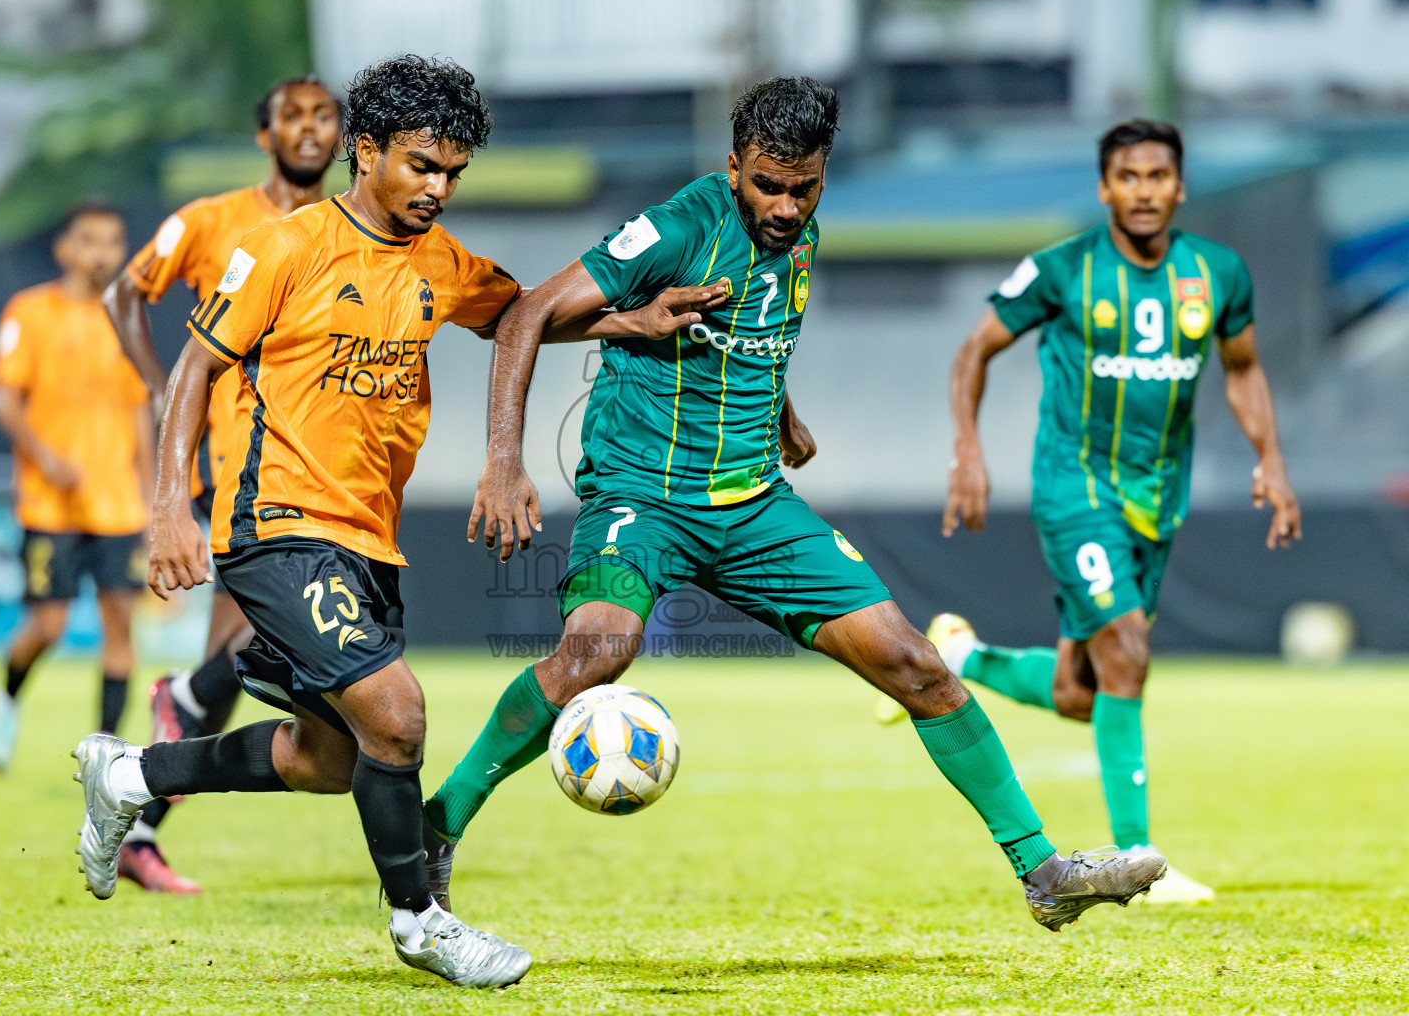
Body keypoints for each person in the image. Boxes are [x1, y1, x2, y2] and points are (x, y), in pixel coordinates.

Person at [420, 77, 1168, 932]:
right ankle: (437, 825)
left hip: (754, 506)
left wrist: (780, 413)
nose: (783, 206)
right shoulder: (678, 228)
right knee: (599, 650)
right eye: (767, 185)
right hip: (643, 497)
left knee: (917, 665)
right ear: (733, 165)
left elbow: (748, 330)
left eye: (802, 188)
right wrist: (504, 462)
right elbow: (526, 315)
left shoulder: (798, 235)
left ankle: (1044, 873)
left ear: (823, 175)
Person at [69, 54, 711, 989]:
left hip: (368, 538)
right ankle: (422, 923)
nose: (438, 188)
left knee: (327, 759)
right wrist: (169, 505)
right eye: (421, 165)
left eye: (453, 172)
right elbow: (194, 370)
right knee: (399, 717)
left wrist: (630, 321)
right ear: (365, 151)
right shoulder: (284, 248)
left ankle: (130, 775)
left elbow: (519, 315)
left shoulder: (440, 260)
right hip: (277, 522)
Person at [921, 118, 1300, 904]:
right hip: (1076, 486)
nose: (1144, 191)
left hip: (1157, 499)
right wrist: (968, 450)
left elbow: (1242, 368)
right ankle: (1139, 863)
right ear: (1104, 189)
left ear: (1180, 186)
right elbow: (974, 350)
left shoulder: (1218, 273)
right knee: (1127, 646)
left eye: (1158, 176)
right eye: (1128, 177)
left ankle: (962, 656)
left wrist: (1270, 457)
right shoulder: (1063, 269)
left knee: (1083, 695)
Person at [101, 74, 343, 895]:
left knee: (249, 655)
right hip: (245, 464)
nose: (308, 129)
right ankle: (181, 705)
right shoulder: (211, 220)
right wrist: (158, 388)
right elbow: (124, 292)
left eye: (323, 116)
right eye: (291, 116)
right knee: (293, 634)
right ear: (264, 134)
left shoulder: (346, 227)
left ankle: (137, 825)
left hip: (321, 465)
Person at [0, 203, 151, 773]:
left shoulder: (127, 316)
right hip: (50, 502)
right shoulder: (30, 312)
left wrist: (155, 498)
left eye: (112, 241)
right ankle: (7, 698)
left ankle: (105, 760)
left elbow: (140, 412)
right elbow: (4, 398)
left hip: (117, 503)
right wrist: (47, 457)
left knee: (120, 625)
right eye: (89, 240)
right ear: (64, 248)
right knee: (49, 624)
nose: (101, 253)